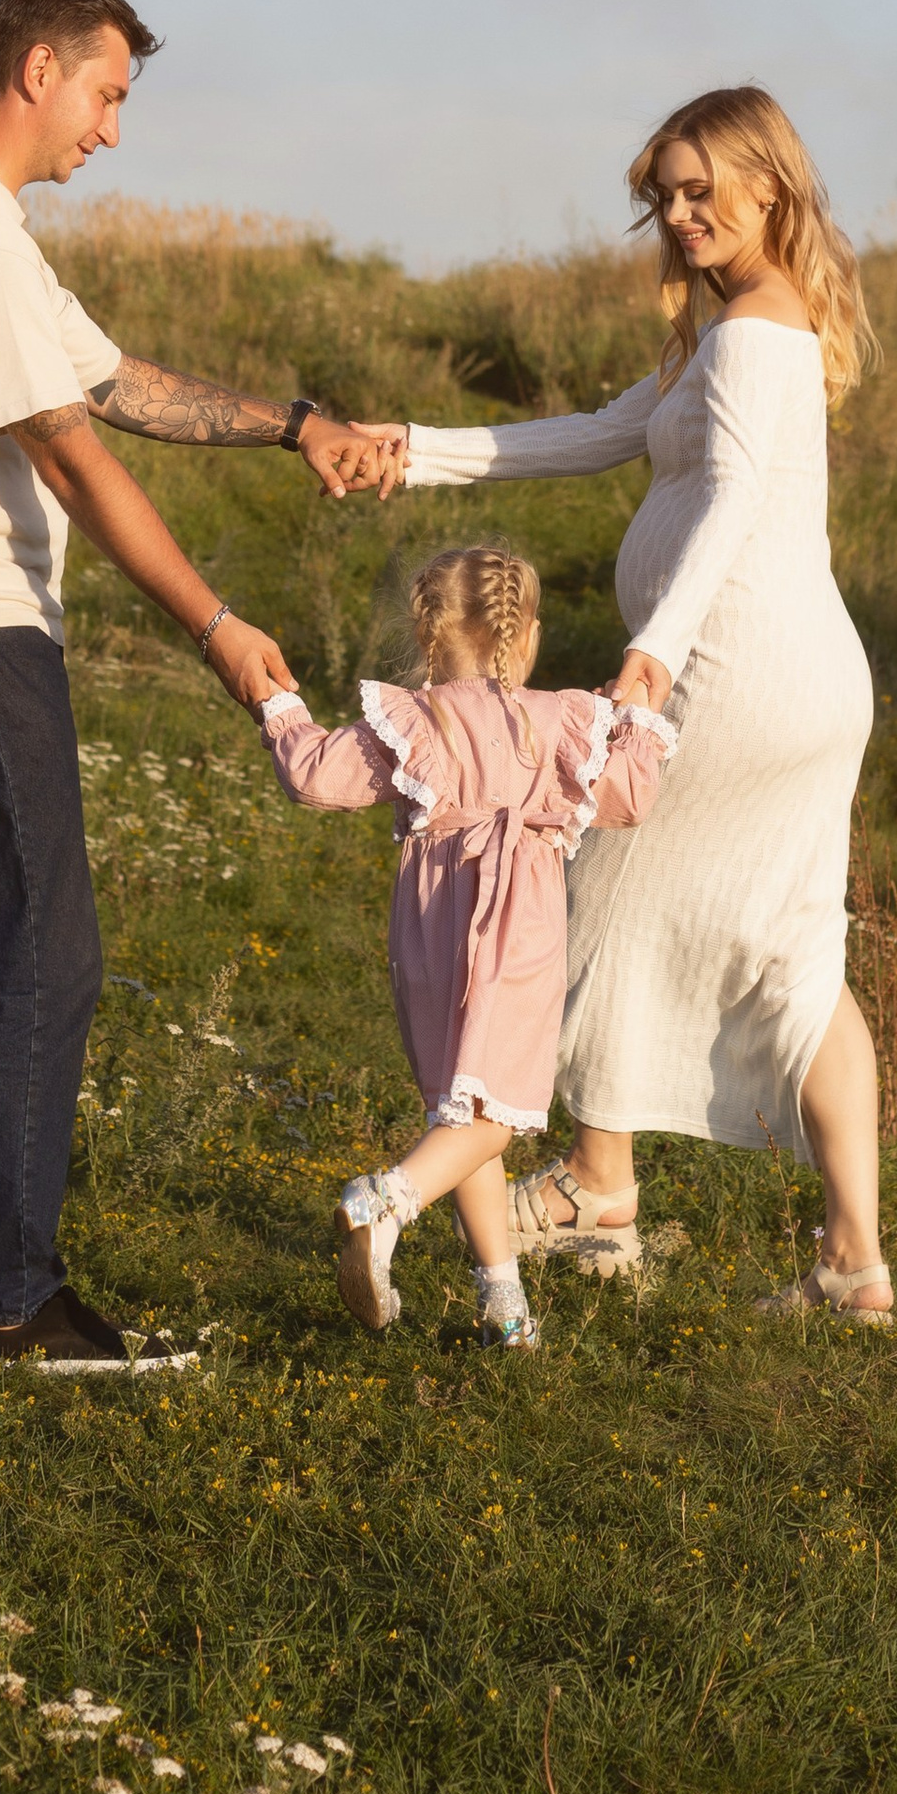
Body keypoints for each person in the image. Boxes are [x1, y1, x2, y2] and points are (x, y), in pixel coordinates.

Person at [0, 0, 403, 1373]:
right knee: (35, 964)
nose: (115, 131)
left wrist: (297, 422)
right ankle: (9, 1309)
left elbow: (117, 384)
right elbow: (72, 457)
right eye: (109, 93)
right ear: (38, 70)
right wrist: (219, 628)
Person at [394, 86, 893, 1326]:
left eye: (697, 189)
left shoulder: (754, 335)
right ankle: (852, 1267)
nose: (677, 216)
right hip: (796, 680)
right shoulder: (739, 330)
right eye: (661, 198)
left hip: (737, 675)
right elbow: (587, 436)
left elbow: (727, 503)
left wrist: (657, 653)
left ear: (767, 186)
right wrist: (406, 448)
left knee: (593, 891)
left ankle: (598, 1189)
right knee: (797, 955)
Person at [257, 545, 674, 1350]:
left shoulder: (418, 719)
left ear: (427, 631)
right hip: (516, 923)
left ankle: (506, 1309)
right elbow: (630, 797)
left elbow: (313, 777)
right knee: (501, 1113)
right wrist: (642, 720)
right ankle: (386, 1202)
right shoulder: (559, 721)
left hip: (429, 923)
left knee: (461, 1103)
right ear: (531, 636)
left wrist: (279, 705)